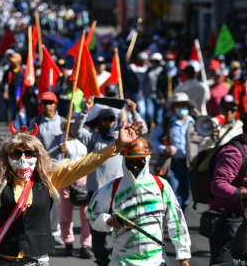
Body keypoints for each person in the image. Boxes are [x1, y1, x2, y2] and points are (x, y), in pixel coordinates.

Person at [0, 104, 143, 265]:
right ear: (7, 156)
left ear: (38, 156)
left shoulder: (50, 179)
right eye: (16, 152)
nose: (23, 158)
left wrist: (116, 145)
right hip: (3, 258)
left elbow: (85, 164)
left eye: (29, 153)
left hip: (36, 260)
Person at [87, 138, 191, 266]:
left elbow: (176, 221)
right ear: (124, 160)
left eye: (139, 161)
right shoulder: (112, 188)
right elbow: (92, 215)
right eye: (131, 161)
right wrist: (108, 221)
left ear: (147, 159)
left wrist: (183, 255)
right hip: (123, 261)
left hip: (155, 261)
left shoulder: (160, 186)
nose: (135, 166)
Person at [71, 96, 147, 265]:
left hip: (119, 192)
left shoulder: (123, 139)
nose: (109, 123)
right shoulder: (93, 138)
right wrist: (85, 110)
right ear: (100, 121)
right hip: (96, 192)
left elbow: (144, 130)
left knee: (122, 229)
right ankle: (102, 260)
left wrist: (134, 112)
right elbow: (76, 130)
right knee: (98, 231)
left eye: (112, 119)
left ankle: (118, 259)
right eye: (105, 119)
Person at [207, 112, 247, 264]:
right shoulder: (233, 152)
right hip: (229, 220)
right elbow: (218, 185)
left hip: (242, 219)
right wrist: (245, 194)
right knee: (224, 263)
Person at [151, 92, 200, 212]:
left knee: (186, 194)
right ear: (173, 107)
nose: (181, 108)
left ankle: (182, 214)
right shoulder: (167, 122)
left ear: (188, 107)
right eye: (178, 105)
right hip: (172, 163)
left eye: (183, 105)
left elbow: (203, 142)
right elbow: (154, 138)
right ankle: (176, 218)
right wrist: (163, 149)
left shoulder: (195, 123)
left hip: (189, 165)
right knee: (174, 191)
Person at [28, 92, 66, 245]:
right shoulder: (34, 122)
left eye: (50, 102)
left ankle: (55, 231)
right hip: (40, 167)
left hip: (58, 168)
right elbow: (30, 145)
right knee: (39, 201)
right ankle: (39, 230)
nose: (47, 106)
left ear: (56, 105)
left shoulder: (64, 122)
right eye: (44, 103)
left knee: (57, 200)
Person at [58, 114, 94, 259]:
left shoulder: (87, 140)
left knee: (86, 215)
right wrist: (60, 151)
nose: (73, 127)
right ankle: (68, 243)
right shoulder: (61, 139)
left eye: (75, 124)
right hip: (66, 179)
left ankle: (86, 245)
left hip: (84, 179)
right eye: (70, 124)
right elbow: (50, 156)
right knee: (65, 215)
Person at [145, 52, 168, 128]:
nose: (155, 63)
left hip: (159, 96)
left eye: (156, 61)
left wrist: (163, 97)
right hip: (149, 95)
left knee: (158, 115)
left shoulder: (163, 72)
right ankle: (148, 125)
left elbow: (163, 86)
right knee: (149, 112)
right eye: (153, 61)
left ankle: (158, 131)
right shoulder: (149, 70)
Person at [1, 53, 24, 129]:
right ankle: (15, 130)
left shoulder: (23, 71)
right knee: (13, 113)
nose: (12, 63)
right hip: (11, 95)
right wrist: (5, 91)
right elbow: (3, 82)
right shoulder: (8, 71)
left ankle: (24, 129)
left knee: (22, 114)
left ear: (19, 62)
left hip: (22, 97)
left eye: (14, 62)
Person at [124, 52, 149, 119]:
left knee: (142, 110)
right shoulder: (133, 67)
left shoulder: (146, 68)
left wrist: (141, 92)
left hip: (140, 93)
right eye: (144, 59)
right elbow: (126, 70)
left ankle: (141, 123)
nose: (146, 61)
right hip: (131, 91)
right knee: (129, 108)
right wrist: (126, 60)